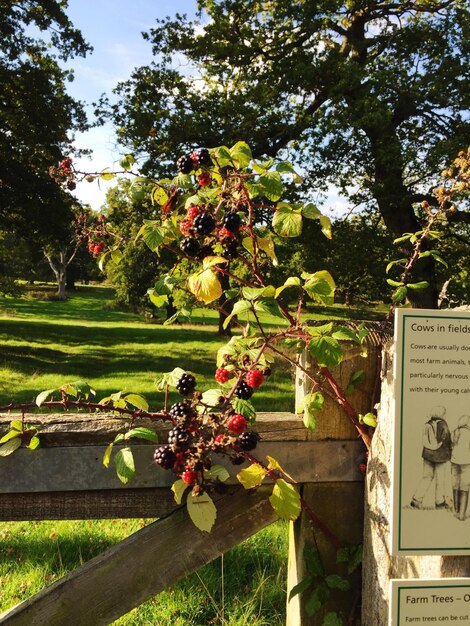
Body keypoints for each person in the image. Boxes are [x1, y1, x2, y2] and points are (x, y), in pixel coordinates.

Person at [410, 406, 452, 510]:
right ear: (441, 414)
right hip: (440, 456)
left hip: (428, 455)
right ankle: (439, 502)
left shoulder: (427, 424)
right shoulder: (443, 424)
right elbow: (446, 439)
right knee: (440, 479)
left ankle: (416, 500)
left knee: (427, 477)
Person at [451, 415, 470, 521]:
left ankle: (456, 511)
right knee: (464, 488)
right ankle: (462, 515)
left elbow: (451, 446)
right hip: (467, 462)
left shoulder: (454, 432)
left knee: (455, 486)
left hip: (454, 461)